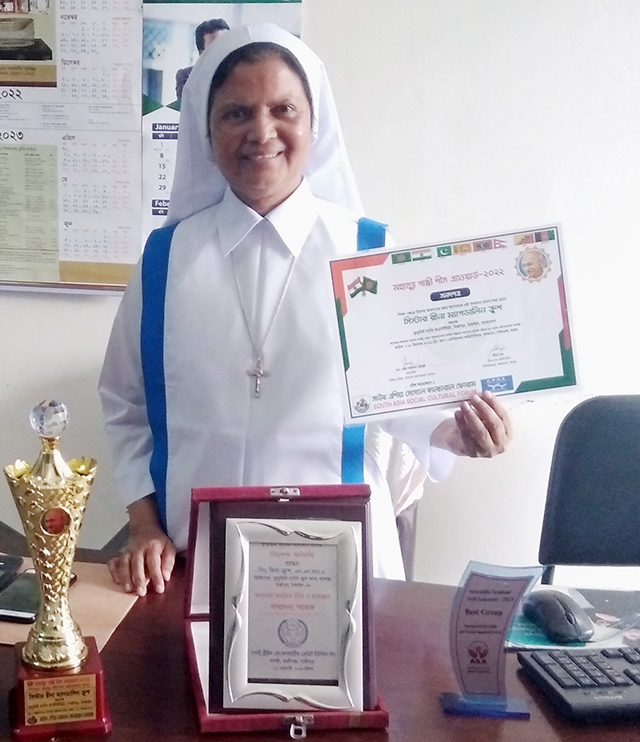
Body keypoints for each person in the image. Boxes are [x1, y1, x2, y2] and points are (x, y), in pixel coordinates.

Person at [99, 24, 512, 596]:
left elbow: (405, 397)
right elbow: (126, 405)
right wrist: (143, 525)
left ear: (314, 125)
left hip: (341, 562)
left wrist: (460, 431)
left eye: (283, 109)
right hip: (196, 566)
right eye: (236, 113)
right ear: (206, 129)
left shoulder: (369, 252)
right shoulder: (165, 260)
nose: (260, 131)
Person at [172, 18, 230, 109]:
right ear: (201, 53)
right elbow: (188, 109)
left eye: (226, 43)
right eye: (215, 47)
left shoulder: (244, 73)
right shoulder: (187, 76)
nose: (222, 50)